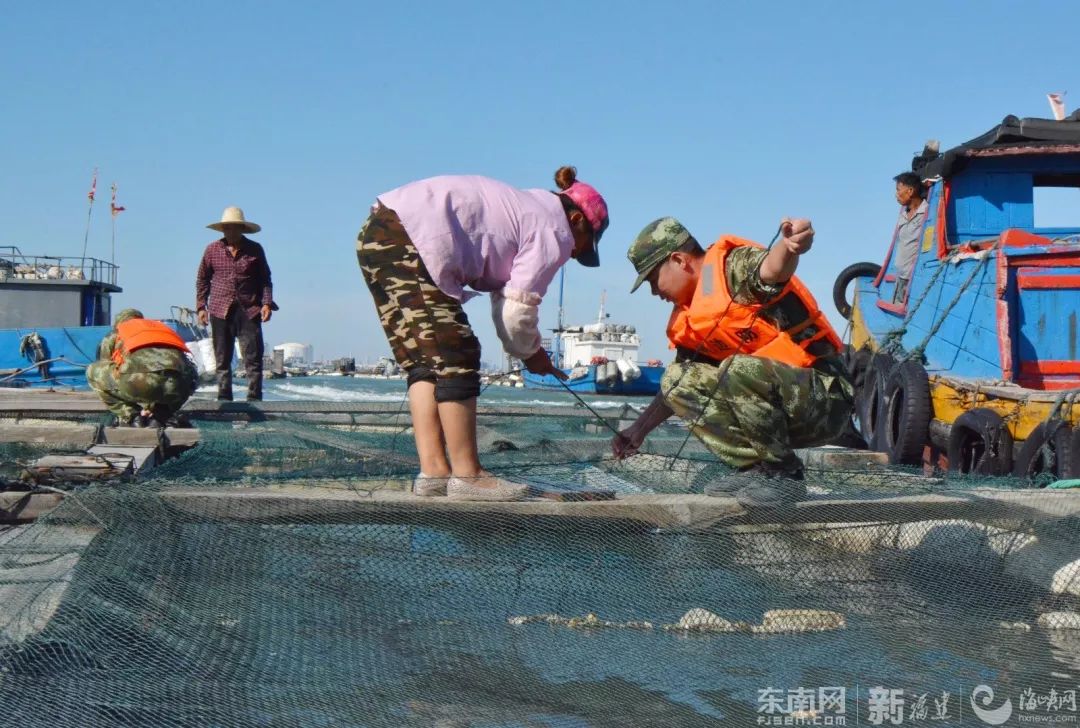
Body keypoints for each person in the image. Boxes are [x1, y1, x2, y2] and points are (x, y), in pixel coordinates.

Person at [357, 166, 608, 501]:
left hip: (379, 232)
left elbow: (505, 301)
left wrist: (528, 351)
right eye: (583, 245)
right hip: (413, 236)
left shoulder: (527, 207)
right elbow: (515, 310)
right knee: (456, 352)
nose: (574, 254)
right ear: (576, 220)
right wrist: (532, 354)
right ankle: (469, 476)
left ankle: (434, 473)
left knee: (425, 361)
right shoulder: (554, 230)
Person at [611, 217, 852, 508]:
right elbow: (674, 390)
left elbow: (772, 270)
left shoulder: (732, 268)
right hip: (776, 411)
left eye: (653, 279)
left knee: (736, 368)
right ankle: (754, 469)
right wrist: (638, 430)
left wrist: (789, 248)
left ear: (678, 260)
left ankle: (785, 476)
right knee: (677, 379)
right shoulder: (691, 315)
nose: (654, 291)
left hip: (825, 399)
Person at [195, 206, 277, 401]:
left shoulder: (255, 250)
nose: (230, 231)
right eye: (227, 228)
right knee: (222, 359)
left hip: (249, 309)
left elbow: (265, 279)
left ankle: (255, 400)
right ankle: (224, 399)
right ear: (222, 229)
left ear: (241, 229)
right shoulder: (212, 249)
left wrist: (266, 304)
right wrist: (201, 306)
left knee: (253, 358)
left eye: (234, 228)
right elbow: (202, 280)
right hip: (219, 310)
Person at [86, 308, 199, 427]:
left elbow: (105, 364)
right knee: (180, 376)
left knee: (93, 371)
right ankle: (161, 413)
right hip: (179, 387)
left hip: (140, 383)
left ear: (118, 323)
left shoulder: (118, 332)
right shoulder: (160, 328)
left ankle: (132, 416)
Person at [891, 171, 928, 304]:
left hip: (915, 279)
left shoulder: (927, 213)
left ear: (910, 191)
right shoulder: (903, 215)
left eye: (898, 190)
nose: (896, 194)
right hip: (901, 278)